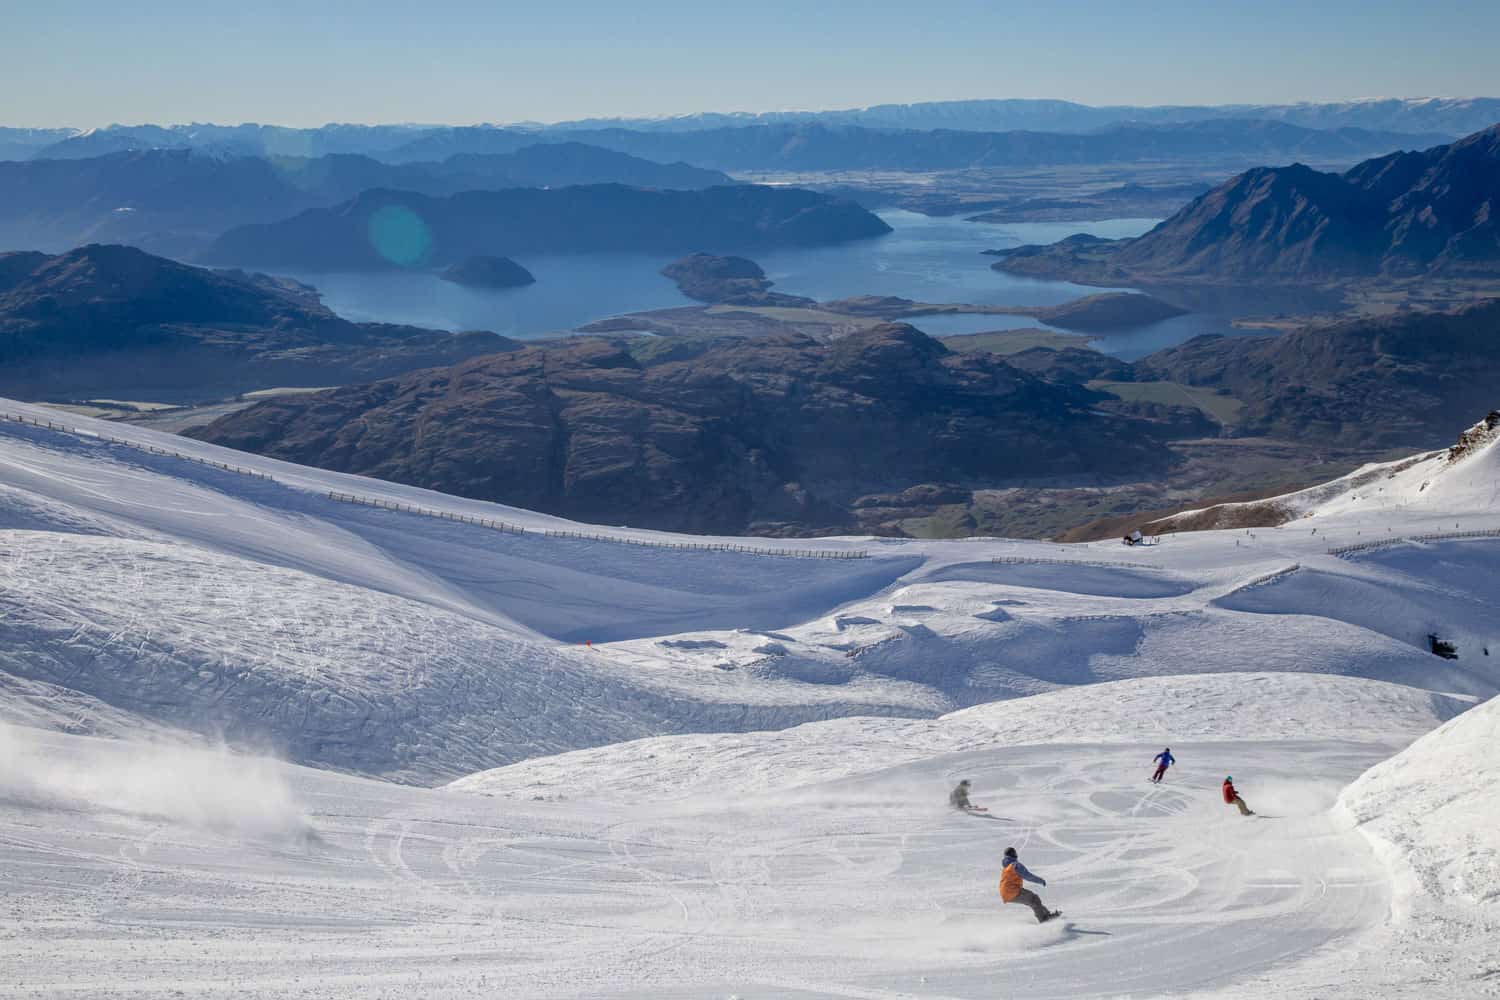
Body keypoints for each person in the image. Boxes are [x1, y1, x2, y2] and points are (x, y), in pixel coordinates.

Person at [998, 846, 1059, 923]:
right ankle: (1044, 920)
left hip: (1006, 892)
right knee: (1034, 899)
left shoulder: (1006, 867)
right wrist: (1040, 880)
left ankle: (1047, 914)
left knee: (1032, 901)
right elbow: (1027, 876)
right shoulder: (1015, 865)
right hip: (1012, 891)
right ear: (1014, 854)